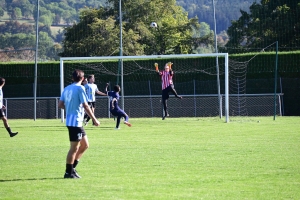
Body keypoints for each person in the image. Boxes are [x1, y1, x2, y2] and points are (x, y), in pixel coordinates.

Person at [58, 69, 100, 179]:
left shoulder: (66, 89)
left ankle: (72, 169)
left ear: (72, 78)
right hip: (75, 122)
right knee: (74, 148)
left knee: (85, 145)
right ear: (82, 79)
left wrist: (70, 107)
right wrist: (94, 119)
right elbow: (86, 106)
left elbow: (60, 105)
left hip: (75, 122)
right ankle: (68, 173)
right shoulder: (80, 88)